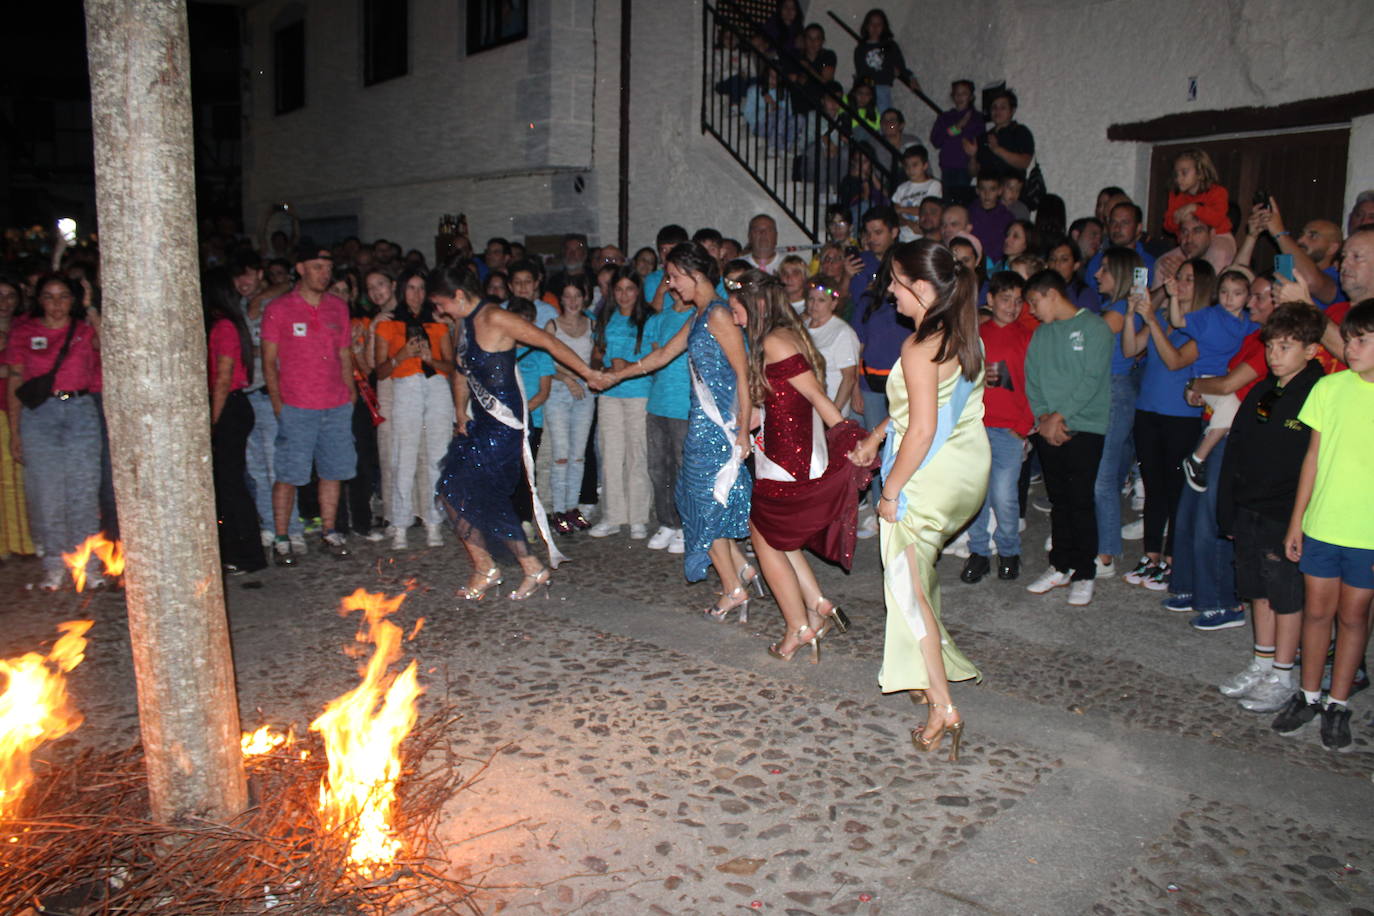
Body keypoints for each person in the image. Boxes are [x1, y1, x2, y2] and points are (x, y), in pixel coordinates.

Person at [845, 239, 987, 760]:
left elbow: (923, 430)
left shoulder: (918, 346)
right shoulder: (962, 332)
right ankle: (923, 669)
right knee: (918, 573)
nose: (888, 291)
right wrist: (879, 433)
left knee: (907, 587)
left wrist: (889, 491)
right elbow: (923, 406)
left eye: (896, 282)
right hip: (966, 468)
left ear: (921, 287)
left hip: (929, 474)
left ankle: (943, 705)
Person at [430, 265, 607, 601]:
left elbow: (548, 342)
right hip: (480, 423)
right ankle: (505, 567)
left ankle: (514, 567)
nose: (438, 310)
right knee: (452, 489)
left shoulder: (497, 318)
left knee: (480, 496)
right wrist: (458, 412)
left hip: (504, 426)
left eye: (441, 302)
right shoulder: (461, 324)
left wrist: (587, 373)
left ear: (457, 295)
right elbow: (460, 372)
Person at [597, 242, 755, 612]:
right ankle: (743, 569)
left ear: (693, 273)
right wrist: (618, 375)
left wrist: (744, 430)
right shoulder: (699, 315)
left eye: (673, 277)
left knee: (701, 504)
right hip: (699, 421)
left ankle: (733, 587)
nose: (669, 285)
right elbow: (663, 355)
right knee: (695, 499)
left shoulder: (718, 315)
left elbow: (744, 375)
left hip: (719, 427)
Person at [735, 270, 872, 661]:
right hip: (780, 450)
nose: (733, 316)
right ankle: (817, 605)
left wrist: (850, 437)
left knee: (765, 536)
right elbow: (783, 399)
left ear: (757, 305)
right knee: (780, 536)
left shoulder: (776, 340)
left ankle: (799, 626)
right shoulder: (777, 337)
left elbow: (814, 394)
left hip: (789, 456)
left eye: (736, 309)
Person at [1271, 301, 1374, 751]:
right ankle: (1308, 693)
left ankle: (1338, 701)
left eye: (1362, 340)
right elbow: (1311, 458)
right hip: (1324, 523)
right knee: (1317, 611)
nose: (1350, 348)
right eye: (1348, 339)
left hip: (1366, 532)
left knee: (1354, 617)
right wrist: (1298, 520)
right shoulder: (1330, 388)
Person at [1215, 304, 1327, 714]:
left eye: (1286, 346)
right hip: (1250, 508)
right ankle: (1262, 663)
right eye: (1271, 346)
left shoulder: (1319, 392)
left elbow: (1315, 464)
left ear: (1312, 350)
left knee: (1286, 595)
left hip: (1285, 514)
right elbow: (1238, 447)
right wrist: (1228, 506)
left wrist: (1300, 520)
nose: (1274, 354)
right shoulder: (1264, 389)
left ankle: (1283, 673)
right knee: (1256, 590)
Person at [4, 274, 103, 590]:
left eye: (63, 296)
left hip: (80, 410)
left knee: (83, 491)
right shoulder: (25, 332)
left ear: (72, 300)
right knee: (46, 495)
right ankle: (55, 567)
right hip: (39, 414)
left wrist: (91, 309)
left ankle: (88, 565)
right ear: (39, 300)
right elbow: (15, 382)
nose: (56, 304)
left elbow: (111, 346)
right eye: (49, 296)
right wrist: (15, 432)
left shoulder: (84, 331)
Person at [260, 242, 357, 566]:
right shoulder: (279, 308)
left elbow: (344, 353)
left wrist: (350, 392)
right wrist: (278, 402)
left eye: (328, 268)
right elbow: (269, 360)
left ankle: (329, 531)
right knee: (289, 473)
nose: (324, 274)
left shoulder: (337, 307)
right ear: (300, 269)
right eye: (317, 267)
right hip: (297, 405)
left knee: (333, 470)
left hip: (335, 403)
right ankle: (282, 537)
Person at [1119, 258, 1213, 590]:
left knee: (1176, 491)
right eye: (1179, 278)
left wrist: (1151, 320)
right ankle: (1152, 555)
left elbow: (1175, 361)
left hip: (1181, 417)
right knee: (1153, 486)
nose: (1181, 284)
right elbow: (1131, 348)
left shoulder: (1204, 325)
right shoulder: (1161, 317)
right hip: (1148, 411)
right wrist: (1132, 314)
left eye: (1188, 279)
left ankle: (1174, 559)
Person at [1021, 270, 1113, 606]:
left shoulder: (1095, 329)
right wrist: (1045, 417)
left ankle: (1085, 571)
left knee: (1080, 499)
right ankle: (1060, 565)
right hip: (1049, 427)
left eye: (1034, 302)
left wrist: (1060, 417)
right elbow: (1032, 378)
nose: (1031, 310)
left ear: (1051, 294)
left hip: (1085, 426)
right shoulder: (1042, 335)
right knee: (1058, 499)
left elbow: (1092, 379)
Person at [373, 266, 456, 550]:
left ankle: (434, 521)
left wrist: (430, 358)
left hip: (436, 387)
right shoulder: (388, 324)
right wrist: (401, 356)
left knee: (436, 455)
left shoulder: (438, 324)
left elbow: (451, 366)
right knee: (403, 456)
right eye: (411, 288)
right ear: (401, 290)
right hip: (405, 385)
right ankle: (400, 523)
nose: (416, 294)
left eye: (421, 288)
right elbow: (380, 371)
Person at [961, 271, 1033, 584]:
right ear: (990, 300)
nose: (1012, 306)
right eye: (1005, 299)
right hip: (977, 426)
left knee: (1004, 495)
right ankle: (979, 551)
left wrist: (1024, 425)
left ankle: (1009, 551)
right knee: (977, 495)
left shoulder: (1028, 337)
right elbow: (962, 380)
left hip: (1009, 429)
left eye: (1018, 301)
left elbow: (1037, 384)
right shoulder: (977, 335)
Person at [845, 206, 903, 538]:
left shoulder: (910, 305)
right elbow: (859, 346)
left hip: (903, 386)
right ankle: (878, 502)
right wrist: (854, 388)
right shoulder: (869, 300)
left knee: (901, 445)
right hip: (871, 383)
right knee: (875, 445)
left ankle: (897, 500)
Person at [202, 268, 265, 575]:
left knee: (231, 485)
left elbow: (224, 376)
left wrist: (211, 422)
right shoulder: (227, 323)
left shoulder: (224, 326)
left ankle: (246, 554)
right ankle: (240, 551)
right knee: (230, 483)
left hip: (230, 407)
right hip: (231, 406)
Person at [1091, 246, 1147, 578]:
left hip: (1114, 390)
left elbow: (1091, 334)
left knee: (1103, 477)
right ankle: (1102, 544)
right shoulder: (1114, 308)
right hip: (1107, 391)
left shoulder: (1119, 311)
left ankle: (1107, 553)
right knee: (1102, 474)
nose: (1098, 275)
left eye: (1106, 270)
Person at [589, 267, 654, 539]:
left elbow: (656, 356)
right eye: (619, 289)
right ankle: (613, 515)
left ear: (638, 291)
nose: (624, 295)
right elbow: (597, 353)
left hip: (638, 391)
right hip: (610, 393)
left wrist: (628, 366)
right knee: (611, 454)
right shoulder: (606, 317)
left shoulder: (649, 319)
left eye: (629, 289)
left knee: (636, 454)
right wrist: (600, 369)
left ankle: (638, 516)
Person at [543, 275, 598, 534]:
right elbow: (547, 363)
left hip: (585, 394)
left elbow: (596, 357)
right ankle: (558, 511)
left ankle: (572, 508)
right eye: (568, 296)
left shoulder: (592, 324)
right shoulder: (552, 325)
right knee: (562, 455)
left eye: (578, 295)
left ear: (585, 296)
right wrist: (567, 378)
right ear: (560, 299)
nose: (573, 301)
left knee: (578, 455)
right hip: (559, 392)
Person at [0, 276, 34, 559]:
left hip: (16, 408)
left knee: (15, 476)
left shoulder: (24, 327)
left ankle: (20, 541)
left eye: (10, 295)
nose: (5, 303)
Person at [1162, 148, 1235, 272]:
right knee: (1163, 263)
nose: (1179, 179)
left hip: (1219, 236)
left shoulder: (1217, 192)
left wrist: (1195, 208)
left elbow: (1217, 219)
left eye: (1184, 173)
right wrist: (1177, 218)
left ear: (1200, 173)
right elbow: (1168, 226)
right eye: (1176, 174)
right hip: (1189, 241)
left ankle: (1210, 289)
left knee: (1217, 254)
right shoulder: (1176, 195)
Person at [804, 277, 859, 416]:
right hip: (806, 407)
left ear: (833, 303)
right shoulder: (802, 326)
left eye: (821, 300)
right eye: (811, 299)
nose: (814, 304)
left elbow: (849, 378)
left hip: (829, 407)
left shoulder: (842, 332)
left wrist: (833, 412)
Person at [851, 8, 918, 114]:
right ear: (867, 26)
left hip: (882, 87)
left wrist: (911, 77)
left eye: (879, 24)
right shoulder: (861, 49)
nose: (875, 27)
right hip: (866, 89)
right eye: (872, 24)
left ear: (884, 27)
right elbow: (861, 72)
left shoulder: (890, 46)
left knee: (884, 116)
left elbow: (900, 66)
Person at [964, 89, 1034, 182]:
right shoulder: (983, 137)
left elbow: (1024, 163)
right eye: (994, 107)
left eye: (1003, 107)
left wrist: (997, 149)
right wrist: (972, 156)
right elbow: (973, 173)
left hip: (1012, 192)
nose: (997, 111)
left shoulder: (1020, 131)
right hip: (988, 193)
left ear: (1012, 111)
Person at [929, 79, 984, 194]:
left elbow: (980, 143)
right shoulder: (945, 117)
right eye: (956, 94)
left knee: (961, 201)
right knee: (947, 201)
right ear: (952, 96)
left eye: (964, 93)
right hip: (947, 166)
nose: (960, 97)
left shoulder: (976, 118)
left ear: (971, 97)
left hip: (965, 167)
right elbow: (936, 141)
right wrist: (957, 127)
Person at [891, 145, 942, 242]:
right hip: (904, 238)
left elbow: (927, 210)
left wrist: (902, 209)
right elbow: (896, 215)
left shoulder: (934, 185)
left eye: (914, 165)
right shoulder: (901, 188)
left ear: (925, 165)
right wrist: (909, 223)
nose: (910, 169)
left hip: (924, 237)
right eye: (907, 166)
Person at [969, 174, 1014, 263]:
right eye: (983, 189)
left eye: (992, 189)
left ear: (1000, 191)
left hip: (997, 263)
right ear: (977, 190)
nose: (987, 194)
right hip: (973, 261)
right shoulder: (969, 213)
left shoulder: (1007, 217)